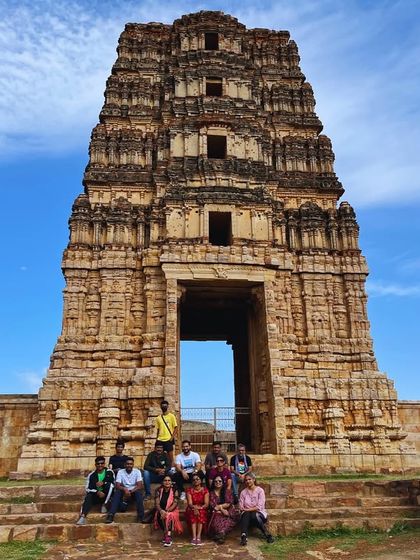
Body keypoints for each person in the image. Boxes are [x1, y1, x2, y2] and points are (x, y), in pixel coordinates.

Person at [76, 456, 115, 525]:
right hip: (97, 496)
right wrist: (97, 492)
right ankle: (83, 516)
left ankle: (105, 504)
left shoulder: (109, 472)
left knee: (109, 485)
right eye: (98, 464)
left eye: (102, 463)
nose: (100, 465)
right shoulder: (92, 475)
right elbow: (88, 488)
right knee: (88, 496)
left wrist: (104, 482)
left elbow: (113, 483)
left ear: (104, 464)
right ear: (95, 465)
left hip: (107, 496)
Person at [105, 456, 144, 523]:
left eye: (131, 464)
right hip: (123, 492)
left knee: (138, 493)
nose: (129, 465)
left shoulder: (137, 471)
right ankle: (111, 515)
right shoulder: (121, 472)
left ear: (133, 465)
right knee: (117, 492)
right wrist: (125, 489)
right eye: (127, 464)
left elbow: (140, 485)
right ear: (125, 465)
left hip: (133, 492)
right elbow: (117, 485)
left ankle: (141, 516)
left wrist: (131, 491)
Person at [239, 472, 274, 545]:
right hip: (247, 516)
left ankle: (266, 533)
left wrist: (247, 509)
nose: (248, 481)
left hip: (259, 515)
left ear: (254, 479)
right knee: (246, 514)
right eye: (246, 480)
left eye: (249, 479)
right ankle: (244, 536)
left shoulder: (260, 491)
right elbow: (241, 507)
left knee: (254, 515)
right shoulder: (243, 492)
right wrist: (246, 510)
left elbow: (259, 507)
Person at [153, 475, 183, 547]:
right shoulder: (159, 490)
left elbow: (175, 503)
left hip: (172, 510)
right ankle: (165, 534)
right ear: (162, 482)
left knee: (170, 516)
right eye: (165, 480)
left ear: (171, 482)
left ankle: (168, 537)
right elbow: (157, 503)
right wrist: (161, 511)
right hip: (161, 510)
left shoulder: (175, 490)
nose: (167, 482)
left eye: (169, 480)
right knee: (159, 515)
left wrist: (166, 511)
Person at [207, 476, 239, 543]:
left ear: (223, 482)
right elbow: (213, 505)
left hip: (228, 511)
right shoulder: (211, 493)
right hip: (216, 512)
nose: (218, 482)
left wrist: (221, 508)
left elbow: (228, 503)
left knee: (227, 520)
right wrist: (221, 509)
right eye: (216, 481)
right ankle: (221, 535)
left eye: (219, 481)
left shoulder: (228, 491)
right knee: (217, 520)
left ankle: (220, 535)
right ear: (213, 483)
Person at [185, 472, 209, 546]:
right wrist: (194, 508)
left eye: (197, 479)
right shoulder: (189, 491)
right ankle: (194, 536)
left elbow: (206, 504)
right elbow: (190, 503)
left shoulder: (205, 490)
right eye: (194, 479)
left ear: (201, 481)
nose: (196, 480)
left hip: (202, 508)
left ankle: (198, 536)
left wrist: (199, 508)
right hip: (191, 508)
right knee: (193, 513)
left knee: (201, 512)